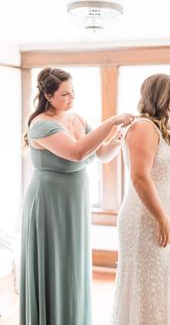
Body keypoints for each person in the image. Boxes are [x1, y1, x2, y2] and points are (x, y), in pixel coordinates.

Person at [20, 67, 134, 325]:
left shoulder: (77, 119)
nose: (72, 98)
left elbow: (99, 154)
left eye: (73, 92)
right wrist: (111, 121)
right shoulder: (40, 125)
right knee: (54, 263)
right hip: (49, 203)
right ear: (48, 95)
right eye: (65, 94)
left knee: (73, 263)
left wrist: (115, 140)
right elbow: (77, 153)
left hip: (75, 201)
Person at [111, 74, 170, 325]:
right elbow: (139, 176)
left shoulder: (165, 128)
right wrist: (162, 218)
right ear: (163, 97)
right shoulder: (143, 127)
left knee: (169, 282)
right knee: (152, 288)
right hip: (148, 221)